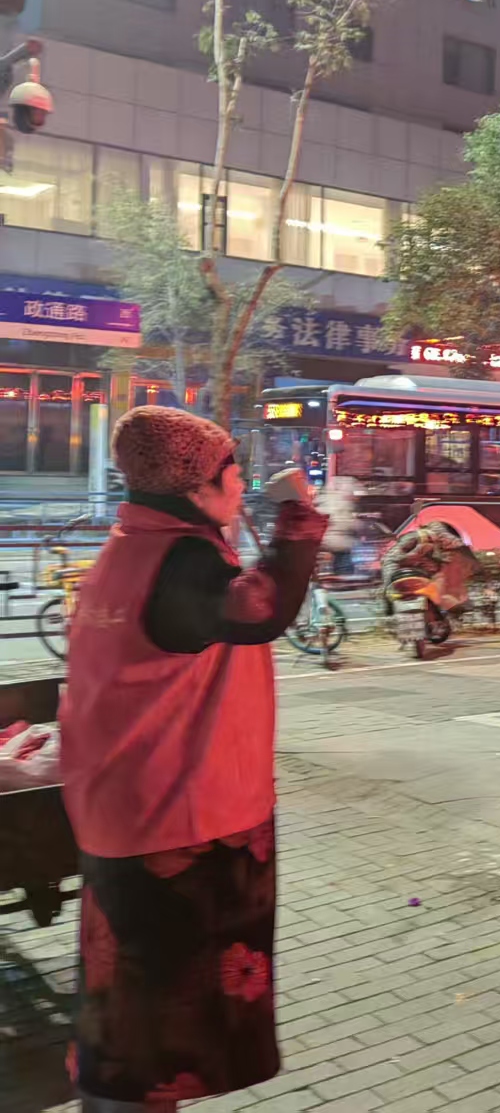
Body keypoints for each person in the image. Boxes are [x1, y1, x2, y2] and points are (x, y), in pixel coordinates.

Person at [59, 407, 328, 1113]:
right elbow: (262, 608)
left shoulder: (132, 547)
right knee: (155, 1030)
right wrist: (298, 516)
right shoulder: (181, 560)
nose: (240, 486)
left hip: (126, 809)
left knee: (130, 1011)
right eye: (231, 474)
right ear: (194, 488)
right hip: (179, 821)